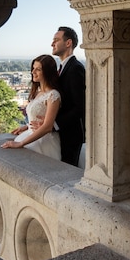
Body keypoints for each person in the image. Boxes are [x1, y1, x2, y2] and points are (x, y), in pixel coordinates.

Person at [1, 54, 61, 160]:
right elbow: (36, 118)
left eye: (38, 69)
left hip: (44, 143)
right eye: (33, 68)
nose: (33, 72)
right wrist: (27, 126)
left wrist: (21, 143)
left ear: (47, 72)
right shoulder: (38, 93)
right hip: (32, 135)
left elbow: (47, 126)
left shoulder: (53, 95)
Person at [51, 26, 85, 167]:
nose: (52, 44)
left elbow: (80, 106)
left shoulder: (75, 68)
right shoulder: (63, 68)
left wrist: (54, 124)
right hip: (60, 133)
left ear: (68, 43)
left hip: (70, 136)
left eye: (56, 40)